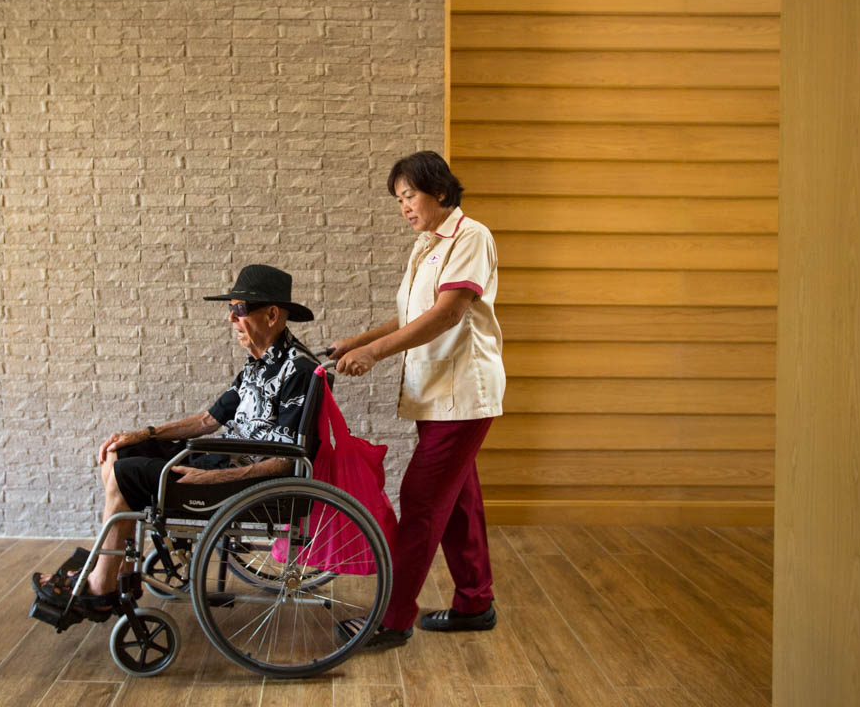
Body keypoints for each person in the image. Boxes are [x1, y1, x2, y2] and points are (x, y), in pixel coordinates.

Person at [33, 264, 320, 619]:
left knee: (128, 474)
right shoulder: (257, 365)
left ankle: (100, 586)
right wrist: (143, 434)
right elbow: (208, 420)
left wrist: (211, 478)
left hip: (244, 479)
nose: (231, 319)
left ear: (273, 315)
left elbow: (288, 459)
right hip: (221, 458)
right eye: (230, 309)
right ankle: (120, 571)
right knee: (122, 452)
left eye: (239, 310)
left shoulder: (300, 370)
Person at [330, 151, 506, 649]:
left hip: (462, 394)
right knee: (459, 501)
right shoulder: (427, 244)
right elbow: (413, 315)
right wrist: (357, 341)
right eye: (399, 199)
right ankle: (475, 603)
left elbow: (448, 314)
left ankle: (392, 619)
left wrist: (375, 355)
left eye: (410, 195)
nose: (404, 206)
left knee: (423, 502)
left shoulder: (471, 235)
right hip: (435, 395)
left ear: (441, 192)